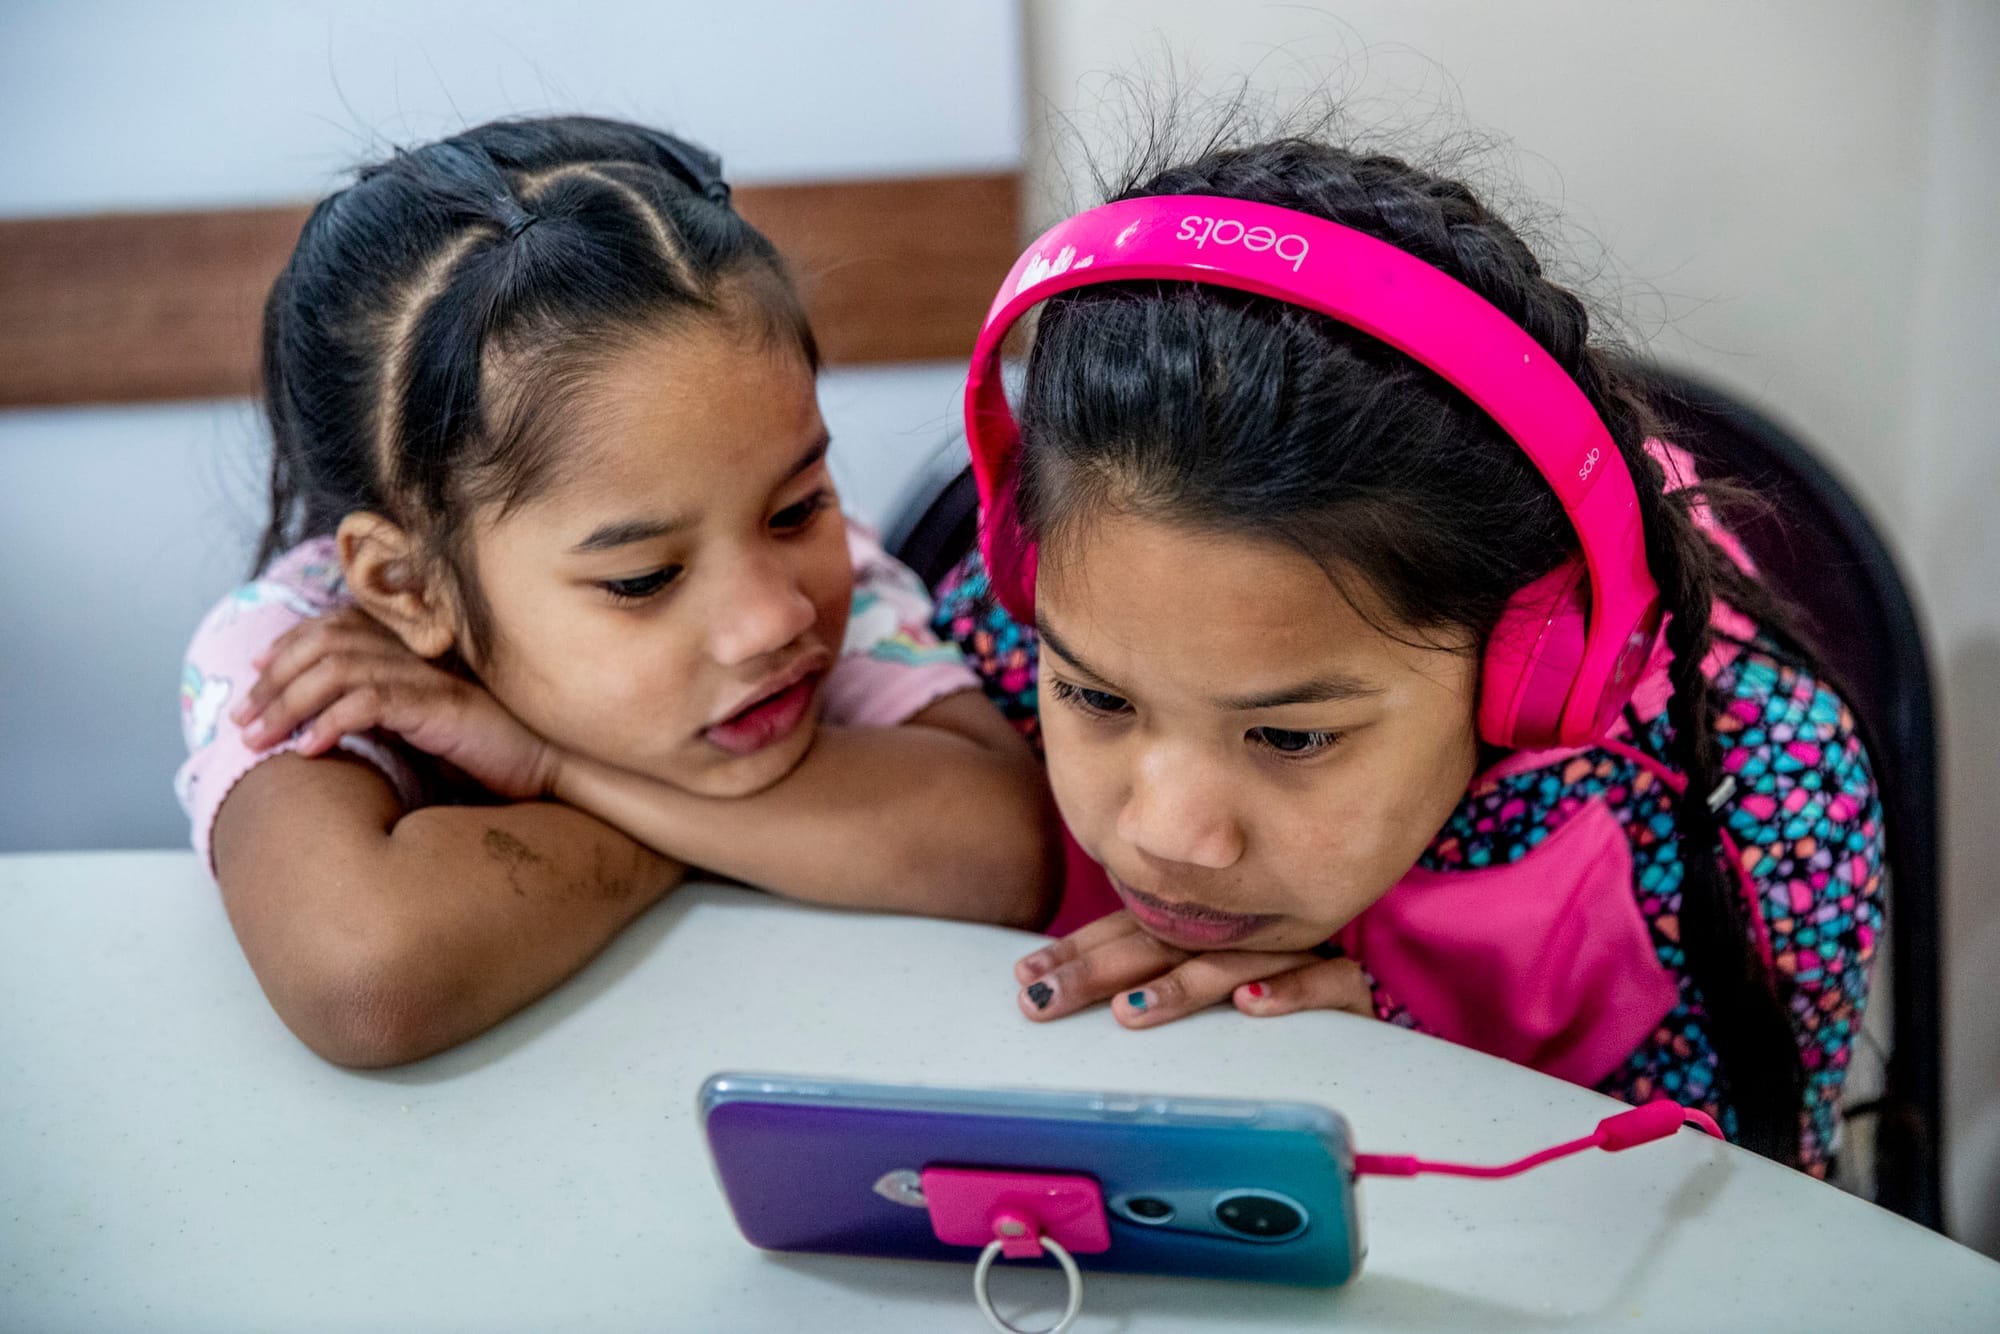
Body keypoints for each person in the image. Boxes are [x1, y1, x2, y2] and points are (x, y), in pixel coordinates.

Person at [937, 135, 1883, 1174]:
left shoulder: (1759, 789)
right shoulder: (1034, 609)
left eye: (1290, 733)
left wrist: (1425, 1076)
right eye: (1094, 696)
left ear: (1541, 670)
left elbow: (1759, 1234)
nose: (1170, 836)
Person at [178, 116, 1053, 1069]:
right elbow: (366, 979)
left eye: (797, 506)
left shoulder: (821, 567)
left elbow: (1004, 854)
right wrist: (756, 836)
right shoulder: (306, 652)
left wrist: (555, 767)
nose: (778, 616)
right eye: (645, 579)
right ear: (408, 585)